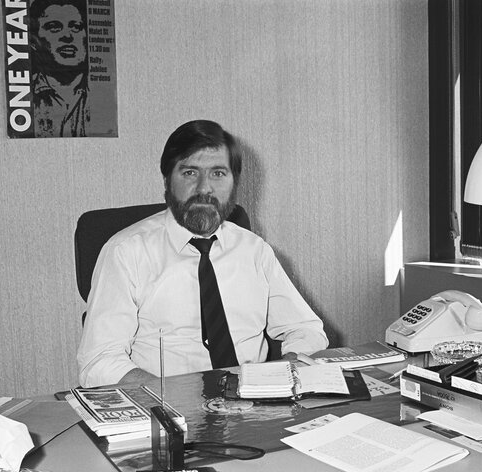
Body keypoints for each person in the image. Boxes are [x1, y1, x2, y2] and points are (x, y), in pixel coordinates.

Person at [77, 120, 328, 387]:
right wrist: (176, 401)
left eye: (218, 173)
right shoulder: (126, 252)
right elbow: (99, 362)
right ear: (167, 179)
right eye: (189, 173)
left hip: (254, 405)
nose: (204, 188)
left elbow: (307, 330)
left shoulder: (254, 250)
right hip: (168, 410)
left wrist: (280, 373)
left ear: (234, 182)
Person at [29, 0, 89, 137]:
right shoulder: (24, 94)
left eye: (76, 27)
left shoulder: (100, 93)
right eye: (54, 27)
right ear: (34, 41)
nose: (68, 36)